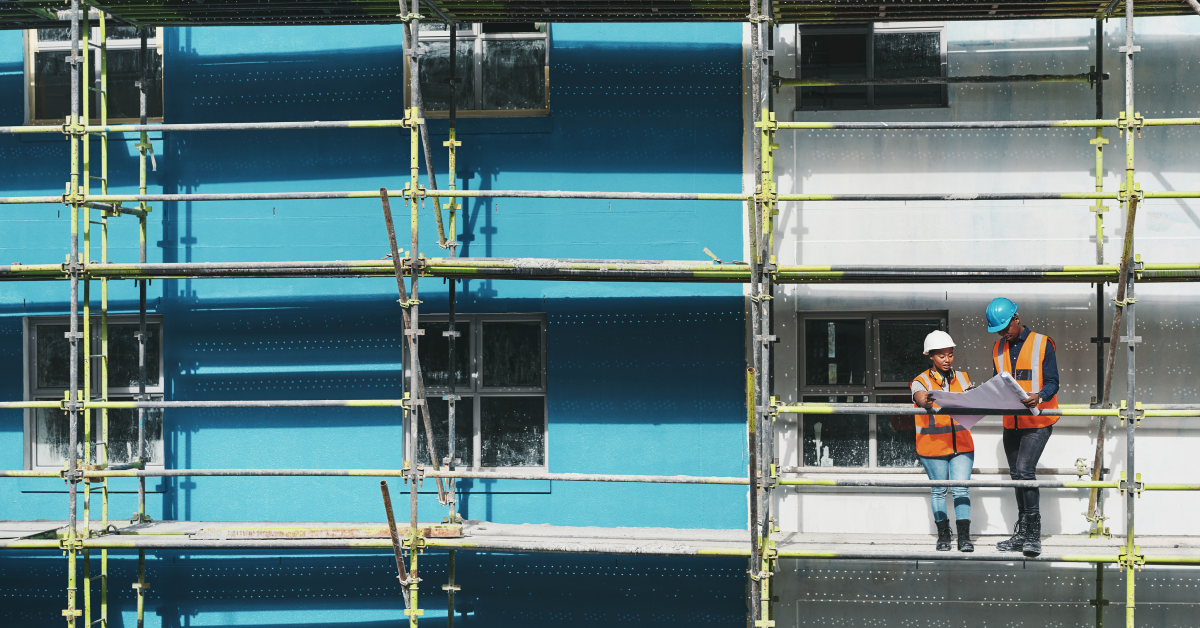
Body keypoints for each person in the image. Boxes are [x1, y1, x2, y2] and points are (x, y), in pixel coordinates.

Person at [986, 297, 1059, 557]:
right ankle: (1021, 534)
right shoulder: (997, 348)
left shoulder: (1042, 343)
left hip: (1037, 420)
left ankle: (1033, 535)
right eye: (998, 331)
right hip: (1011, 421)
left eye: (1005, 329)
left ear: (1017, 319)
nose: (1003, 334)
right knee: (1016, 476)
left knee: (1025, 470)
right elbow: (998, 382)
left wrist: (1039, 395)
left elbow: (1053, 382)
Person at [911, 330, 975, 552]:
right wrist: (927, 400)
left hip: (962, 445)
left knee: (961, 490)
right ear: (930, 356)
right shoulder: (920, 381)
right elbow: (920, 398)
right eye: (941, 356)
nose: (947, 360)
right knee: (939, 491)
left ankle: (964, 537)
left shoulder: (964, 378)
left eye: (950, 355)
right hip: (933, 446)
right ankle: (943, 536)